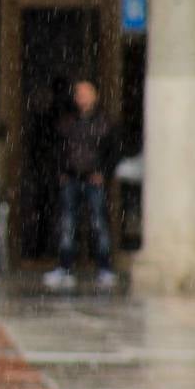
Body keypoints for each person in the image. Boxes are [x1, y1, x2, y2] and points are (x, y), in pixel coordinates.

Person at [42, 80, 121, 288]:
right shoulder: (67, 121)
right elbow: (57, 148)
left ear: (96, 95)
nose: (82, 97)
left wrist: (103, 172)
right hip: (71, 178)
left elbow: (113, 152)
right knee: (68, 223)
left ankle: (104, 267)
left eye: (86, 93)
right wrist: (62, 172)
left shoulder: (105, 122)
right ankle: (65, 267)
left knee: (98, 223)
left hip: (94, 179)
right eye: (79, 93)